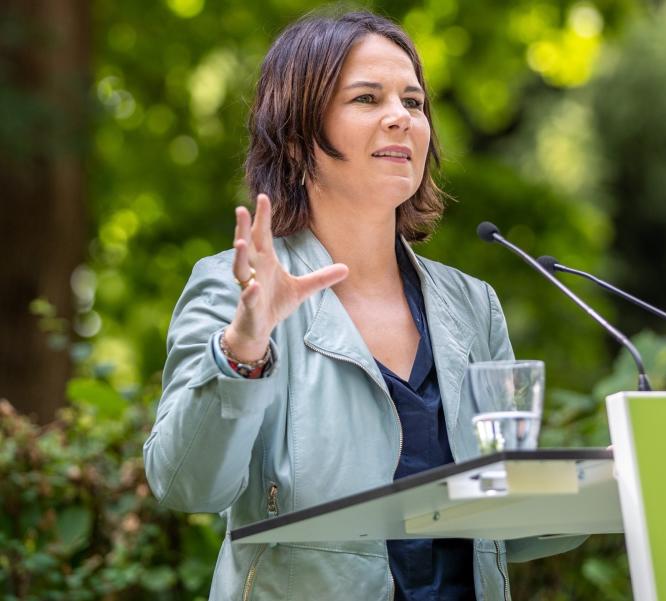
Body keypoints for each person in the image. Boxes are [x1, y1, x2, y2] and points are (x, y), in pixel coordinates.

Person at [143, 10, 583, 601]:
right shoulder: (231, 287)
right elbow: (186, 486)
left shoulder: (472, 305)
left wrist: (602, 488)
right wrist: (243, 350)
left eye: (415, 102)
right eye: (367, 98)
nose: (402, 117)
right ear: (297, 136)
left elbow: (498, 522)